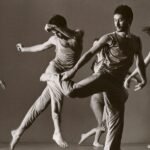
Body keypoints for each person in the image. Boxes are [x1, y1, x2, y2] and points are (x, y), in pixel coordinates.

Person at [44, 5, 147, 150]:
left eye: (120, 20)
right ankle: (54, 77)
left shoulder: (136, 41)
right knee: (72, 91)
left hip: (117, 85)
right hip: (104, 76)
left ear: (129, 20)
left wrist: (144, 79)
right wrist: (73, 70)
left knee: (115, 129)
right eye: (114, 20)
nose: (116, 23)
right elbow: (89, 53)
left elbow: (140, 61)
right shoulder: (110, 38)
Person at [10, 14, 84, 149]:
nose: (57, 35)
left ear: (63, 27)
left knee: (40, 105)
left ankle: (18, 131)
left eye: (58, 31)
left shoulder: (77, 35)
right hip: (54, 68)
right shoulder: (54, 39)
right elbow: (40, 47)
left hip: (65, 75)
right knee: (58, 95)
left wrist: (56, 27)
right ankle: (57, 131)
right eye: (54, 32)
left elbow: (71, 33)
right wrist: (23, 49)